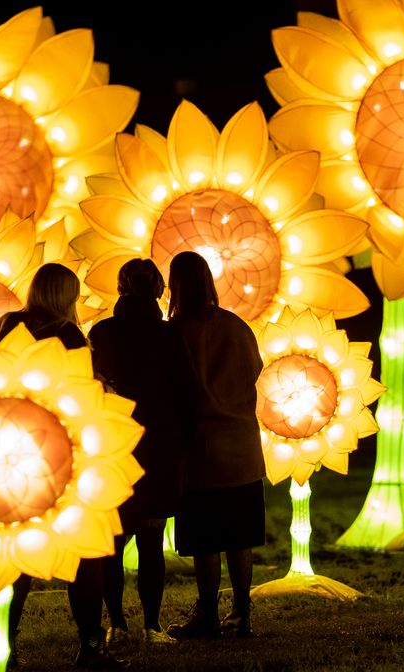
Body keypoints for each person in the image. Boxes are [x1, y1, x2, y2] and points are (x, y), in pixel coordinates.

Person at [0, 262, 124, 669]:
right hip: (61, 453)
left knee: (19, 557)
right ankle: (90, 644)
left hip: (13, 452)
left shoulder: (8, 328)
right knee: (84, 554)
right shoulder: (68, 335)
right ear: (63, 296)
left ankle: (4, 642)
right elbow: (81, 388)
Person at [88, 259, 191, 648]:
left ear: (120, 289)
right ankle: (151, 624)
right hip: (159, 447)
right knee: (151, 540)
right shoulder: (169, 335)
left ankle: (116, 623)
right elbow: (185, 390)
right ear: (160, 290)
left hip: (113, 446)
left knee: (113, 542)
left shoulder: (103, 332)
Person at [163, 251, 266, 640]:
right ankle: (242, 613)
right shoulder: (237, 326)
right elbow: (256, 374)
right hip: (241, 447)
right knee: (240, 536)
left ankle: (208, 613)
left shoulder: (176, 332)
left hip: (199, 450)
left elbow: (172, 388)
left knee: (205, 539)